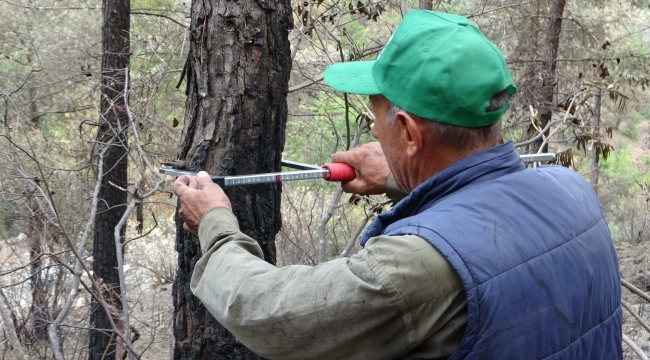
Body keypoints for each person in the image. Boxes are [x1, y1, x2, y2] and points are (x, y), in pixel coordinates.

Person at [174, 10, 622, 360]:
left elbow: (268, 313)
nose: (374, 133)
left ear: (408, 134)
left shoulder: (412, 270)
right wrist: (401, 177)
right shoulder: (571, 189)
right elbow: (491, 224)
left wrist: (216, 224)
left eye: (376, 119)